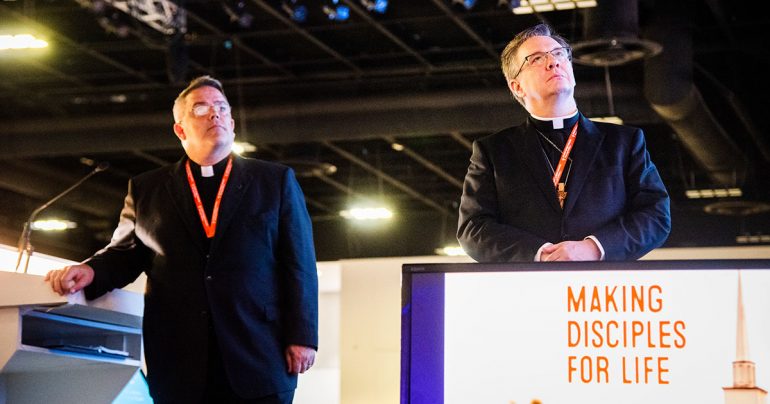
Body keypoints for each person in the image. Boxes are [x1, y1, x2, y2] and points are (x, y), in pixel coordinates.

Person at [46, 76, 318, 403]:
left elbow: (299, 264)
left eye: (221, 108)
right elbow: (124, 253)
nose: (214, 115)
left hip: (259, 353)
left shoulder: (274, 181)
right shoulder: (148, 189)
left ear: (232, 123)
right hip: (178, 359)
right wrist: (90, 271)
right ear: (180, 129)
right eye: (200, 108)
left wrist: (302, 337)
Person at [457, 23, 671, 262]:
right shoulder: (493, 151)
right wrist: (539, 253)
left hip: (603, 289)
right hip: (528, 288)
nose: (553, 62)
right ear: (516, 86)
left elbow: (656, 216)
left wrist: (594, 248)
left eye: (559, 54)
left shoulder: (624, 142)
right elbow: (472, 228)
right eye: (536, 58)